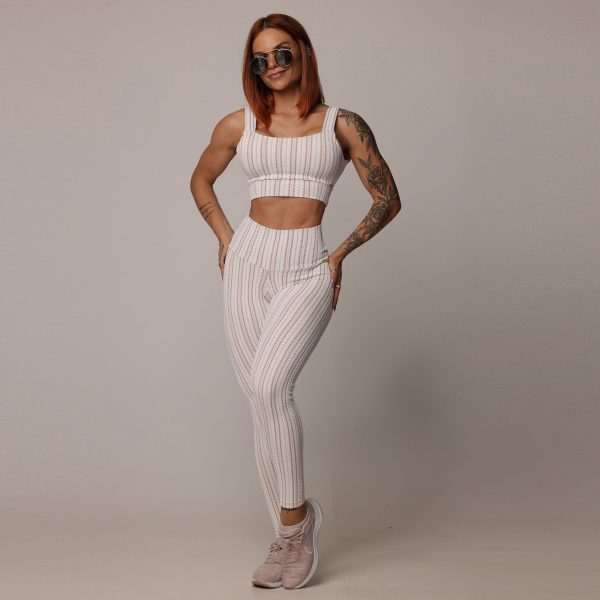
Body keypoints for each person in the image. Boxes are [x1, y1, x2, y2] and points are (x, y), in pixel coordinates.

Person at [190, 13, 401, 589]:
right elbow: (201, 179)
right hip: (247, 262)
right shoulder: (239, 124)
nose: (273, 66)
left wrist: (340, 255)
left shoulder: (342, 124)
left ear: (303, 52)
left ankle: (296, 524)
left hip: (308, 265)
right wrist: (226, 239)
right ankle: (288, 536)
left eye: (282, 52)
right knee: (261, 401)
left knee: (270, 386)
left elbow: (387, 199)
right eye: (260, 59)